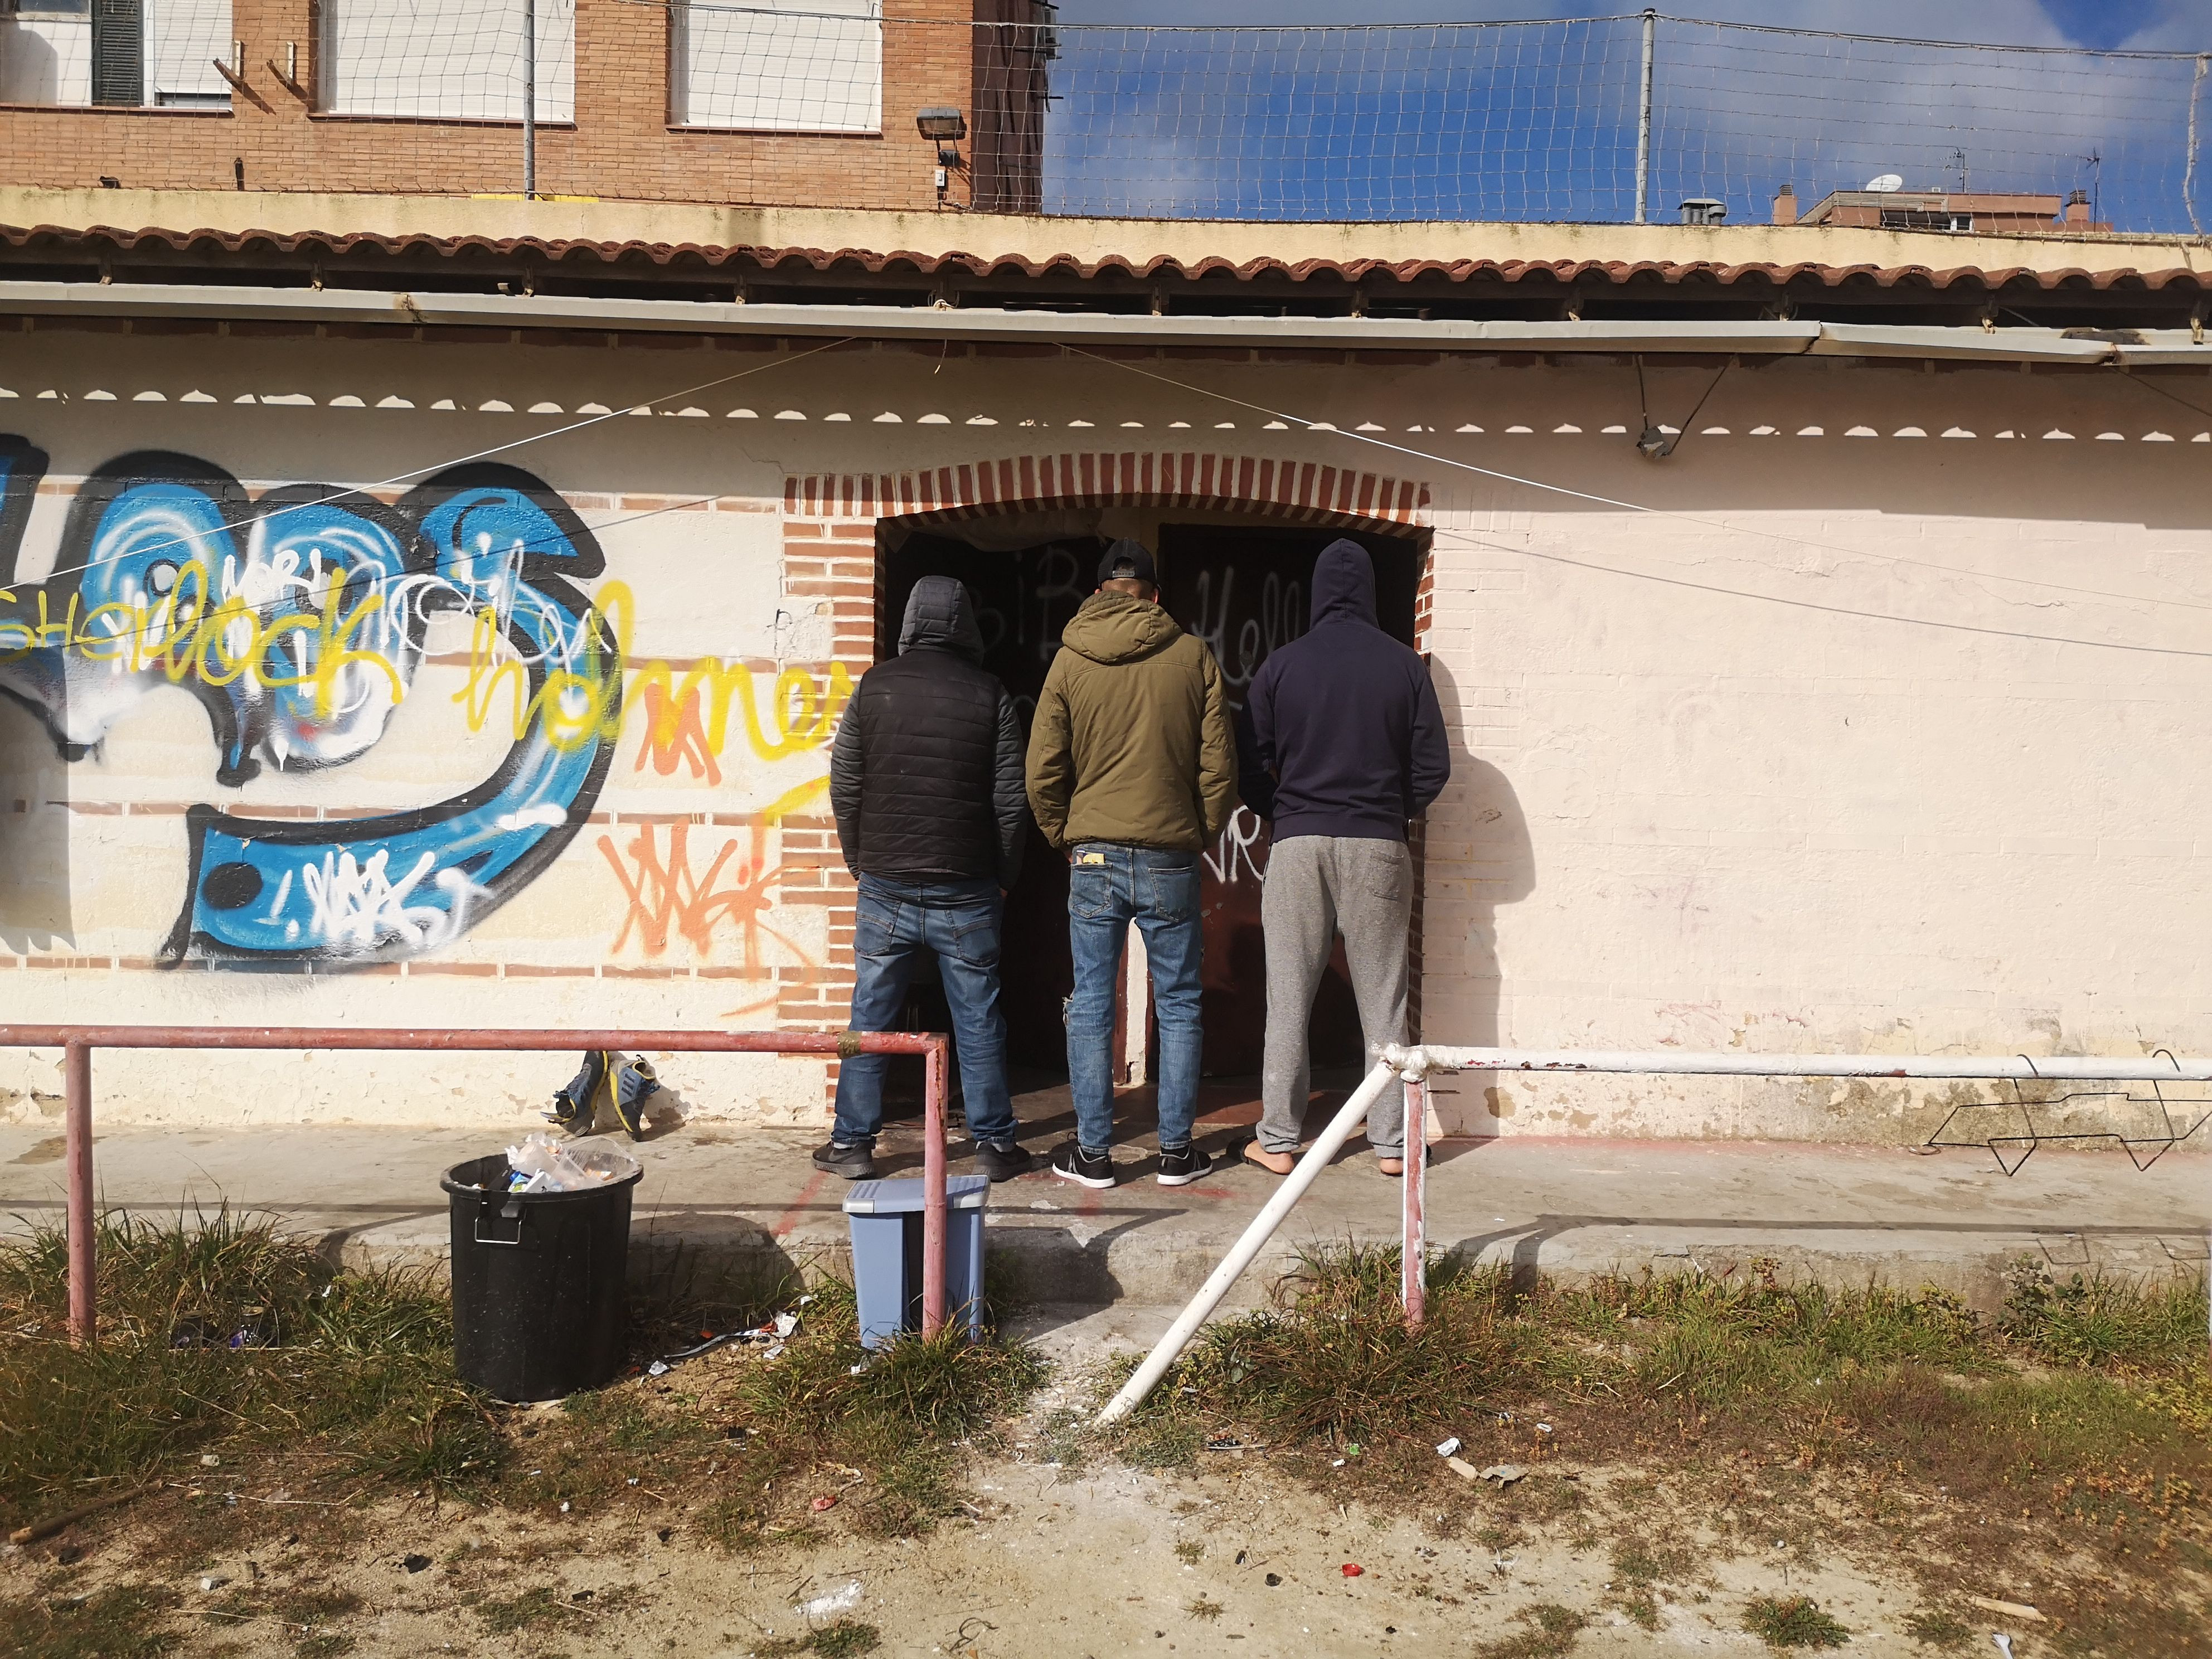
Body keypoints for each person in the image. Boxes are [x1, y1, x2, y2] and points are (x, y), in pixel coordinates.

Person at [1026, 539, 1236, 1189]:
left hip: (1091, 854)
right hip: (1169, 852)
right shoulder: (1192, 655)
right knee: (1177, 1003)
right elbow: (1218, 768)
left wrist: (1065, 836)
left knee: (1090, 1000)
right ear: (1152, 594)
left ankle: (1093, 1155)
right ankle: (1175, 1153)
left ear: (1096, 594)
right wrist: (1195, 833)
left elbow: (1042, 771)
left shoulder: (1068, 661)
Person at [1239, 538, 1451, 1178]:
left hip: (1299, 843)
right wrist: (1388, 811)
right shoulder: (1403, 666)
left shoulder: (1281, 666)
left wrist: (1284, 809)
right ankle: (1391, 1148)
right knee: (1383, 1000)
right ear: (1368, 592)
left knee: (1287, 995)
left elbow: (1248, 762)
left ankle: (1277, 1140)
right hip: (1377, 842)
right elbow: (1432, 766)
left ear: (1316, 592)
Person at [820, 575, 1030, 1182]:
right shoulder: (988, 694)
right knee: (978, 1016)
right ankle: (993, 1146)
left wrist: (860, 858)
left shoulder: (873, 687)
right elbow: (1009, 801)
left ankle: (852, 1144)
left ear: (911, 620)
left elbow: (845, 784)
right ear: (965, 626)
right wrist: (1004, 876)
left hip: (885, 881)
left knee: (870, 1015)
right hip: (966, 885)